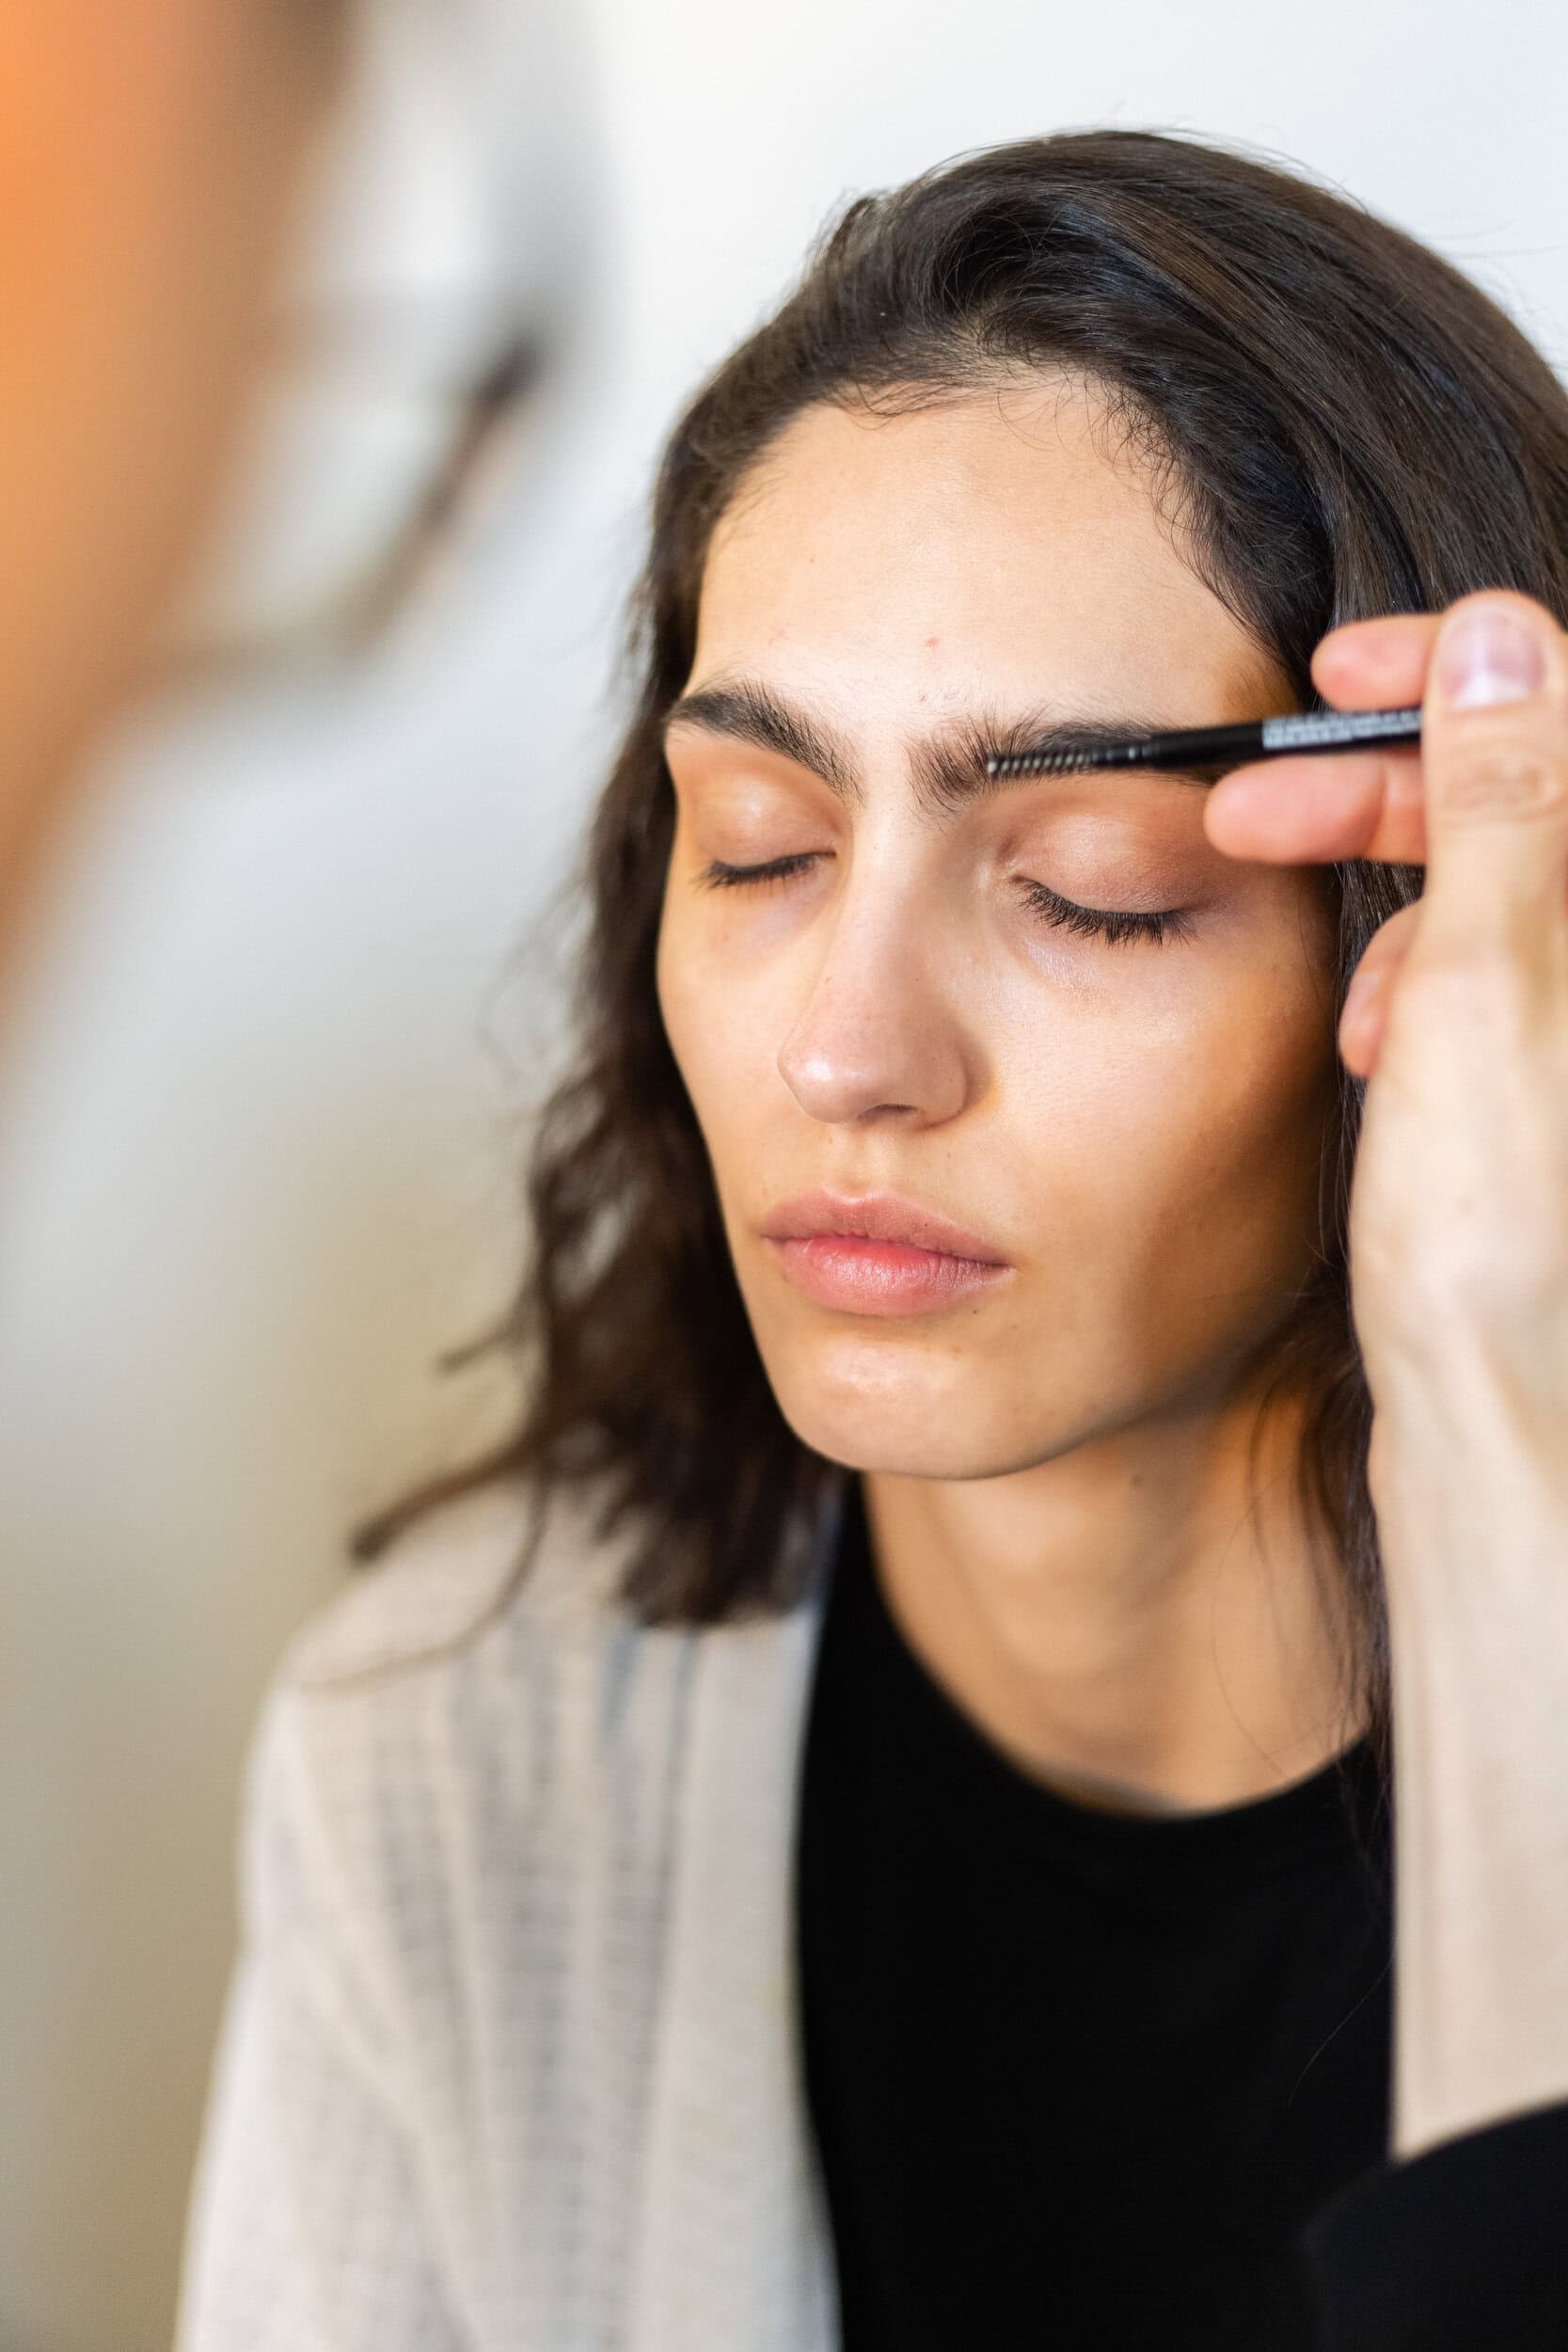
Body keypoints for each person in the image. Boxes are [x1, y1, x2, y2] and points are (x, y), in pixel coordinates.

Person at [173, 131, 1568, 2350]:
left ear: (1444, 933)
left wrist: (1505, 1465)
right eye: (760, 845)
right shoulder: (453, 1753)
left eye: (1094, 886)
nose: (849, 1048)